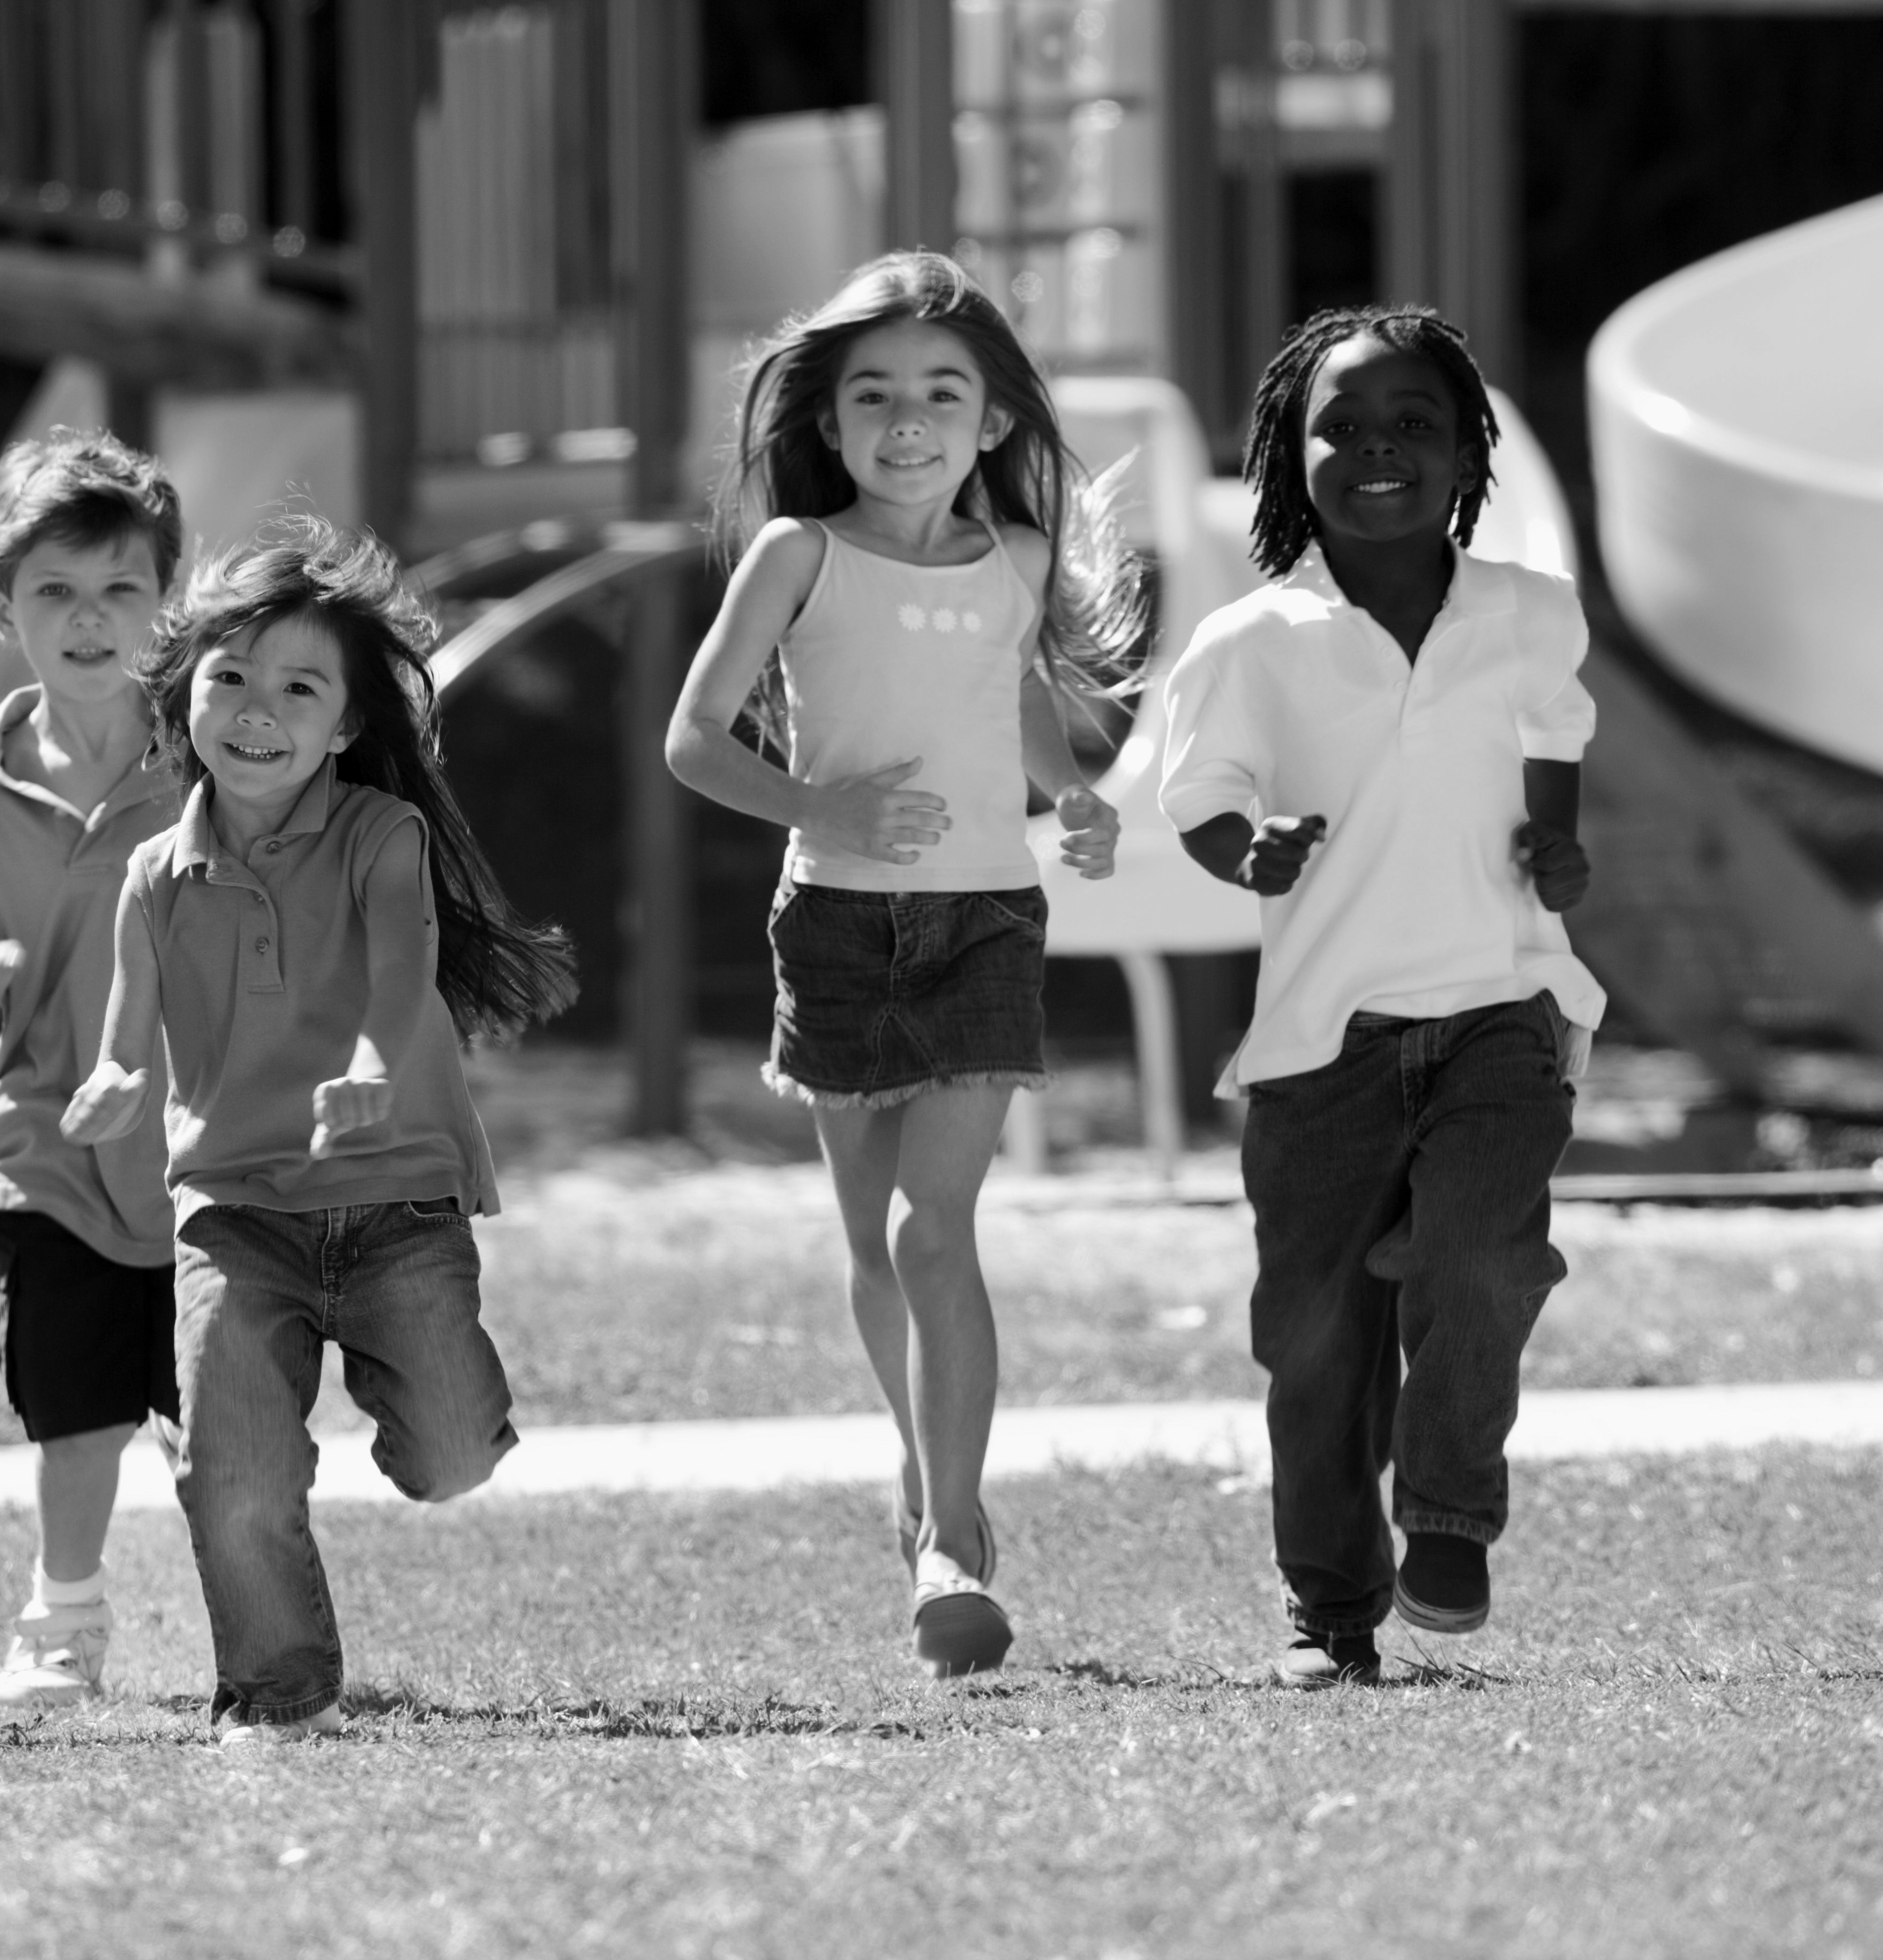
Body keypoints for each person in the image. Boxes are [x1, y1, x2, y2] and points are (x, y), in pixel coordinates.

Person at [664, 251, 1140, 1678]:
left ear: (992, 421)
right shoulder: (794, 557)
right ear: (831, 420)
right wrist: (828, 810)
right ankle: (919, 1469)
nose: (906, 418)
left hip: (986, 919)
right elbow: (692, 742)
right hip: (836, 927)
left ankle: (952, 1530)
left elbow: (1012, 698)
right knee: (869, 1242)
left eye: (941, 392)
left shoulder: (1017, 563)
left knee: (934, 1231)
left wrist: (1072, 795)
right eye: (871, 394)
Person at [61, 516, 577, 1746]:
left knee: (448, 1458)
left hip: (396, 1193)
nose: (255, 707)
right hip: (234, 1207)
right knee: (233, 1467)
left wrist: (362, 1067)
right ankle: (275, 1693)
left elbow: (401, 982)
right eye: (229, 677)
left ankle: (433, 1423)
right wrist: (116, 1083)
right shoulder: (153, 876)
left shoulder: (377, 836)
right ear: (182, 692)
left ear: (343, 726)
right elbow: (128, 1032)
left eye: (297, 687)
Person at [1157, 303, 1599, 1689]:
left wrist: (1557, 844)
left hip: (1500, 1001)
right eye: (1337, 426)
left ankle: (1451, 1516)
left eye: (1413, 423)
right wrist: (1252, 851)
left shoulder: (1526, 613)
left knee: (1481, 1256)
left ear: (1466, 448)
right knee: (1316, 1343)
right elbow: (1199, 801)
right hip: (1320, 1041)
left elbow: (1555, 747)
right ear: (1291, 457)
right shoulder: (1250, 639)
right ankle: (1330, 1612)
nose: (1374, 449)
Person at [0, 429, 187, 1710]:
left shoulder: (217, 756)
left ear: (167, 605)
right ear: (1, 609)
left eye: (122, 589)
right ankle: (61, 1622)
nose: (90, 619)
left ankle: (261, 1610)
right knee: (72, 1405)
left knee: (227, 1413)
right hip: (46, 1148)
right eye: (56, 592)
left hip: (205, 1140)